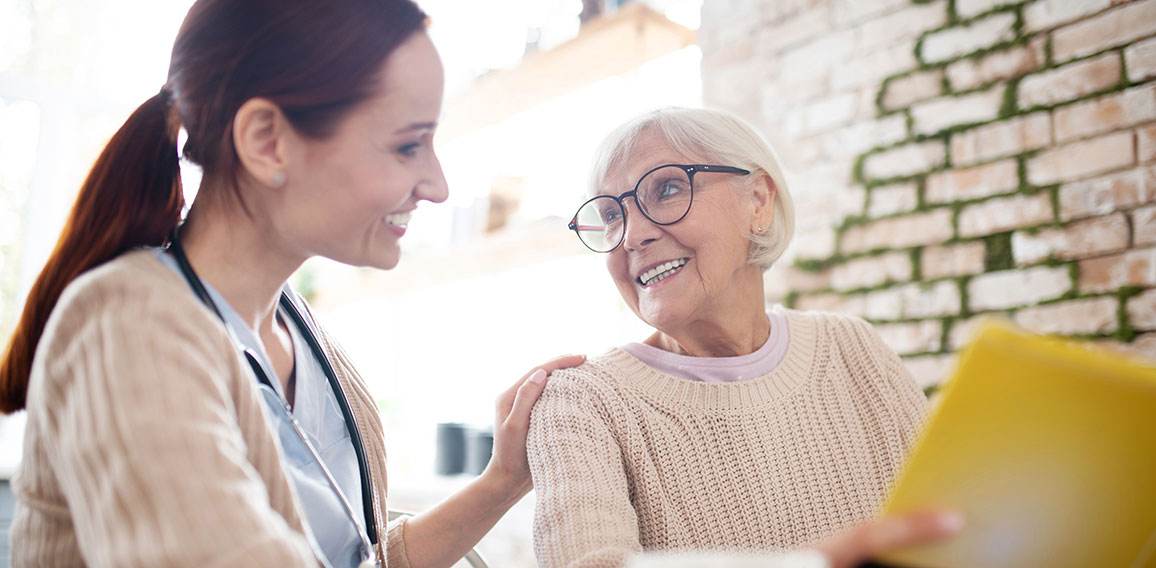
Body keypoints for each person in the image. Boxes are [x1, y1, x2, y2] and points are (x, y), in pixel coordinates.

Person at [0, 1, 584, 566]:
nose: (437, 185)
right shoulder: (126, 325)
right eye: (408, 144)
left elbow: (358, 557)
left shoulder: (300, 329)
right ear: (266, 141)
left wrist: (504, 480)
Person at [527, 107, 954, 567]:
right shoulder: (581, 403)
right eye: (611, 215)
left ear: (757, 202)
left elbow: (953, 526)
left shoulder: (852, 348)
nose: (631, 236)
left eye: (667, 189)